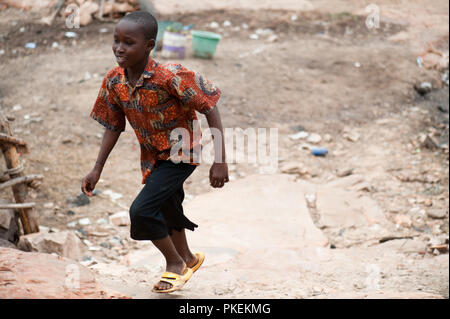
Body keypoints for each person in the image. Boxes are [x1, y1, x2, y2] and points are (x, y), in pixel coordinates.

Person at [81, 11, 229, 293]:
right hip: (153, 157)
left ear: (149, 45)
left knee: (142, 211)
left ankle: (174, 264)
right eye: (116, 40)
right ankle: (188, 258)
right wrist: (97, 168)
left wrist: (219, 161)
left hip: (182, 153)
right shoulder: (114, 81)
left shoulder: (170, 76)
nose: (119, 48)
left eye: (128, 42)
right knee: (167, 205)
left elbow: (210, 105)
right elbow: (113, 125)